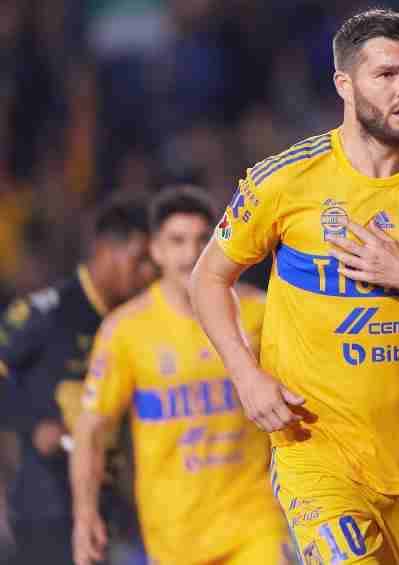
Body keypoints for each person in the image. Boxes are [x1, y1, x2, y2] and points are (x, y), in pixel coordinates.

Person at [190, 8, 399, 565]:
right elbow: (209, 277)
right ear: (344, 83)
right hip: (318, 456)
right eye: (386, 74)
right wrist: (246, 375)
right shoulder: (284, 180)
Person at [70, 186, 289, 565]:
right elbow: (92, 428)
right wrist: (85, 514)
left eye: (202, 239)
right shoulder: (126, 330)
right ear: (156, 251)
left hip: (255, 523)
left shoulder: (259, 312)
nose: (191, 254)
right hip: (173, 538)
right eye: (177, 241)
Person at [0, 197, 153, 564]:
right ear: (105, 251)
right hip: (48, 506)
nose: (148, 273)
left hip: (113, 501)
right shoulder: (49, 314)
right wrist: (34, 425)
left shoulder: (137, 323)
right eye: (140, 259)